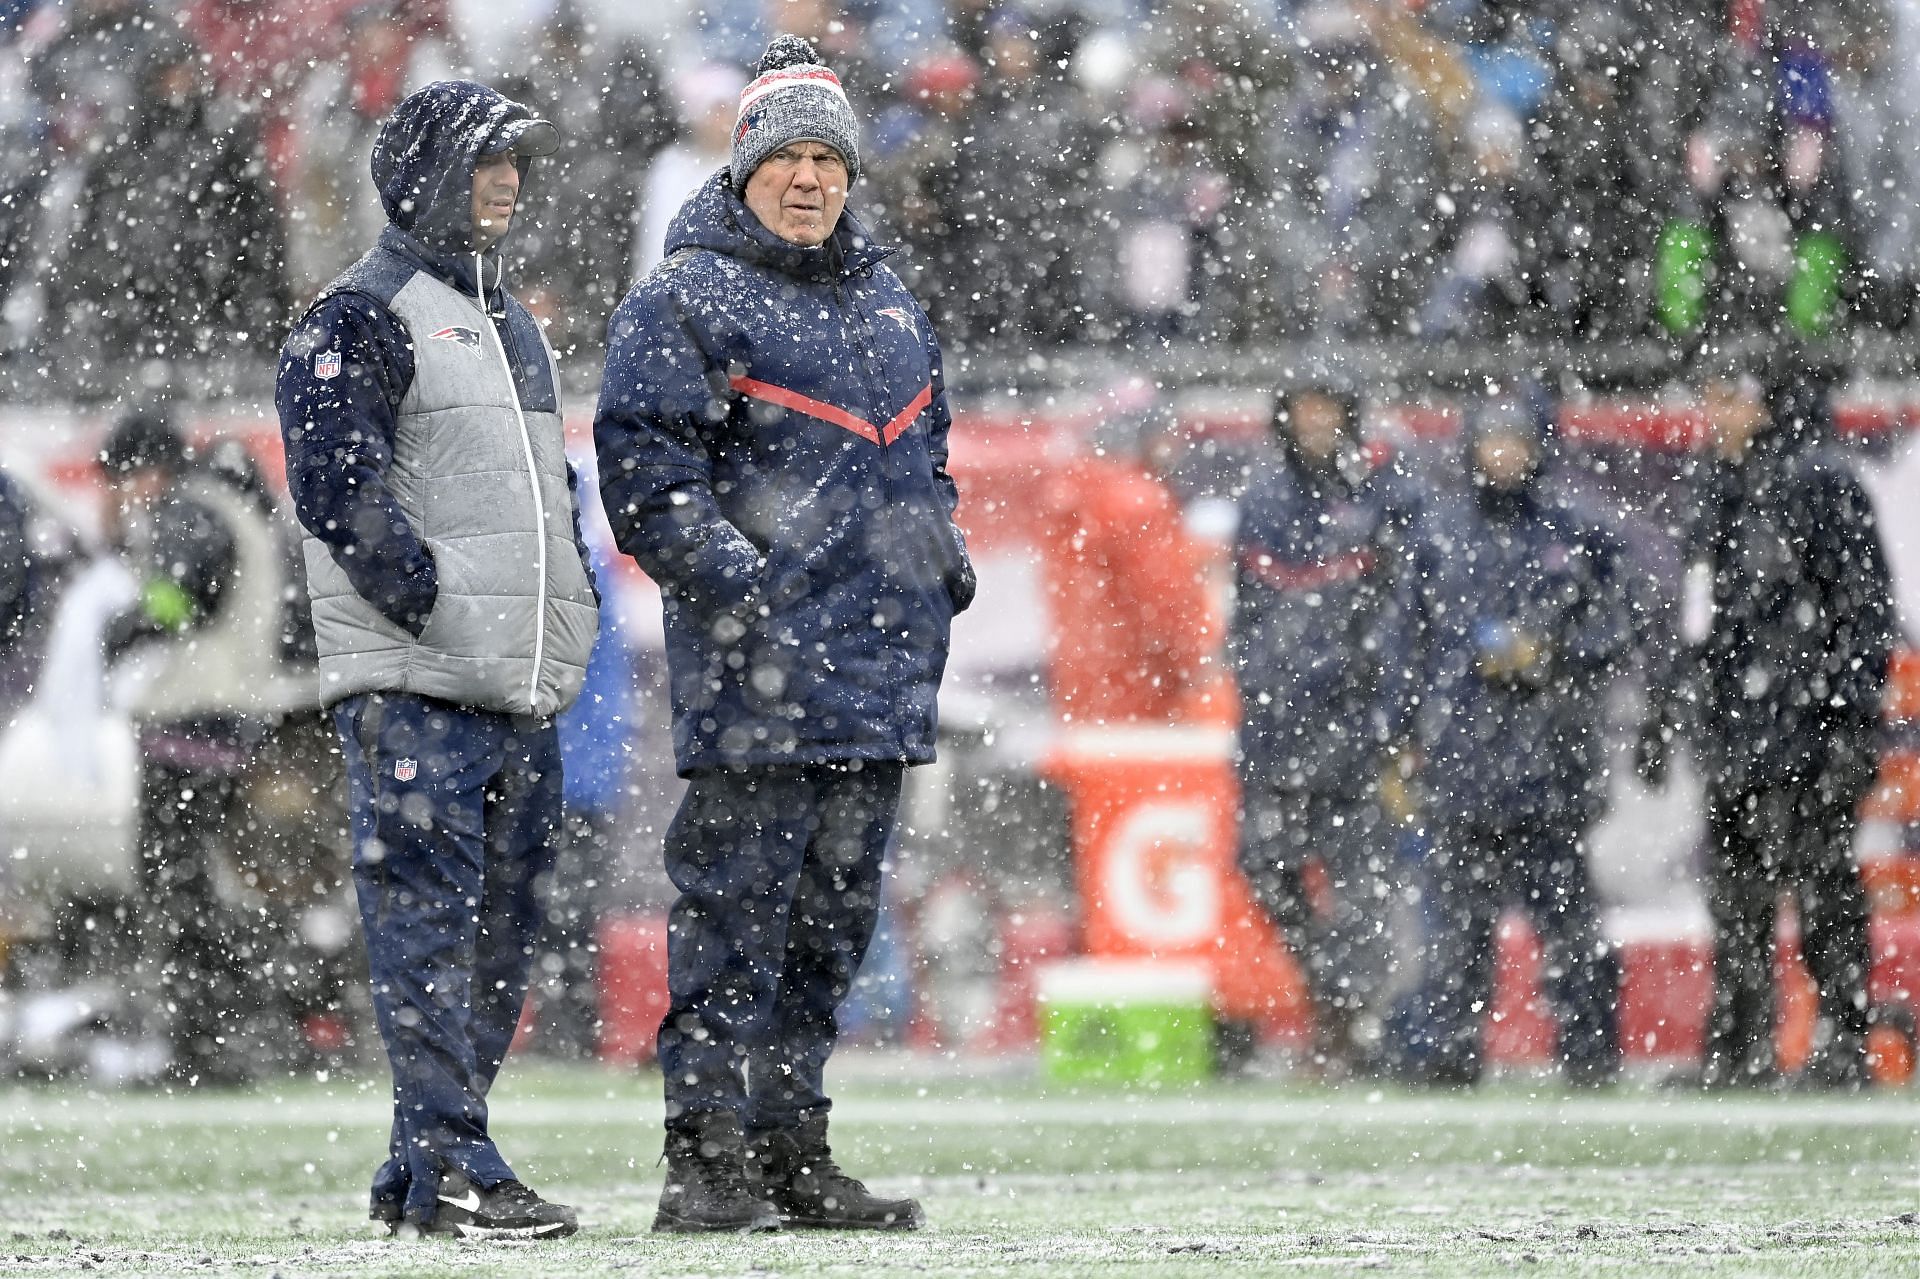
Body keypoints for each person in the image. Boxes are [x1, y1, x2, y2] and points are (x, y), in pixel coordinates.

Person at [595, 34, 972, 1234]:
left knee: (832, 930)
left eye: (829, 157)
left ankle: (791, 1147)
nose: (809, 178)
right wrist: (752, 595)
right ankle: (704, 1162)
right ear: (744, 164)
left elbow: (930, 462)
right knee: (734, 923)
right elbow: (647, 483)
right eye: (787, 156)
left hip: (877, 678)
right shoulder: (681, 297)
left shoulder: (891, 298)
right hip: (760, 681)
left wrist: (941, 560)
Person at [275, 79, 599, 1240]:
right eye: (485, 160)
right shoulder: (359, 314)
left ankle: (425, 1170)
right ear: (424, 176)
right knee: (430, 938)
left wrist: (564, 614)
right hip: (423, 686)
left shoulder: (509, 317)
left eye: (516, 161)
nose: (508, 180)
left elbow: (545, 497)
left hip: (514, 686)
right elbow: (335, 488)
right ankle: (457, 1164)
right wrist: (432, 603)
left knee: (495, 949)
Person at [1642, 372, 1894, 1090]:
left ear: (1769, 402)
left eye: (1734, 397)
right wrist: (1666, 710)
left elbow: (1862, 613)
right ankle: (1740, 1046)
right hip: (1733, 735)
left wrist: (1850, 721)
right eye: (1712, 398)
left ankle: (1841, 1044)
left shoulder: (1821, 483)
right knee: (1737, 904)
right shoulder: (1713, 486)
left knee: (1823, 895)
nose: (1718, 414)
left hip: (1807, 731)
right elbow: (1697, 617)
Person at [1386, 393, 1630, 1088]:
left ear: (1539, 447)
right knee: (1456, 933)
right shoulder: (1438, 535)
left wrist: (1550, 654)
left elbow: (1622, 626)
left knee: (1571, 929)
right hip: (1463, 769)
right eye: (1491, 439)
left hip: (1552, 769)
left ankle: (1589, 1053)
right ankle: (1450, 1051)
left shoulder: (1579, 532)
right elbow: (1406, 647)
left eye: (1516, 440)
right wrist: (1395, 742)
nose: (1503, 454)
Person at [97, 411, 296, 1085]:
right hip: (227, 719)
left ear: (148, 468)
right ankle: (225, 1032)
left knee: (174, 885)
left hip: (191, 725)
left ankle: (200, 1044)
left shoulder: (192, 508)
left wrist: (126, 624)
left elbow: (186, 593)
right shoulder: (236, 502)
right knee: (198, 886)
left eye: (124, 477)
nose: (123, 495)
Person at [1229, 384, 1402, 1075]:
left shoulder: (1382, 496)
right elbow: (1247, 615)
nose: (1317, 422)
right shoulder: (1263, 501)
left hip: (1355, 732)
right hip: (1278, 730)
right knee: (1268, 870)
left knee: (1363, 888)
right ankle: (1336, 1003)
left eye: (1329, 408)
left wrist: (1385, 705)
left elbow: (1404, 610)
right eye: (1305, 409)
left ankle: (1352, 1018)